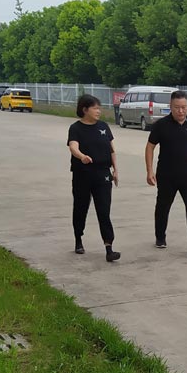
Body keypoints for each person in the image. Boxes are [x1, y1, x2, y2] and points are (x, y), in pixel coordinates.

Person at [145, 91, 187, 258]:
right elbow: (150, 147)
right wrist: (149, 170)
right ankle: (160, 237)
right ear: (170, 107)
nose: (181, 111)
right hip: (167, 176)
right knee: (163, 207)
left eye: (184, 107)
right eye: (177, 107)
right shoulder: (161, 125)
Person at [67, 94, 120, 262]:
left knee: (104, 211)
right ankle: (78, 238)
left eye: (99, 108)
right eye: (95, 108)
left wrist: (115, 170)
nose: (99, 111)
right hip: (83, 174)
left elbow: (112, 150)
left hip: (103, 174)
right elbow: (73, 147)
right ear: (85, 109)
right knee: (81, 208)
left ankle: (109, 248)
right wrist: (82, 156)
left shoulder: (104, 126)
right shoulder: (76, 128)